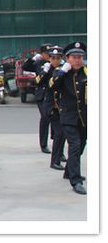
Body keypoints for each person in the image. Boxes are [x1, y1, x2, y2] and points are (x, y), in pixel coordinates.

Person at [49, 42, 87, 195]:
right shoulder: (61, 72)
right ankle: (76, 180)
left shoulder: (87, 72)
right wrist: (62, 73)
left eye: (80, 57)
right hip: (68, 116)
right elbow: (52, 86)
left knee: (82, 144)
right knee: (75, 145)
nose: (77, 60)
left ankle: (69, 171)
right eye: (74, 57)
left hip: (84, 117)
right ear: (67, 58)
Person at [39, 46, 67, 170]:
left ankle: (59, 154)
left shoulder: (65, 69)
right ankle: (55, 161)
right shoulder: (47, 69)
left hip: (63, 107)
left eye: (58, 58)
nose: (55, 60)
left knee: (62, 133)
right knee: (59, 133)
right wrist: (45, 71)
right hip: (52, 106)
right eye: (53, 58)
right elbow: (38, 82)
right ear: (49, 58)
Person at [22, 44, 53, 153]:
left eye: (49, 53)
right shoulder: (38, 63)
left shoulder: (55, 62)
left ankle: (56, 142)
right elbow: (25, 67)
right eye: (46, 53)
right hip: (42, 94)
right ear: (42, 54)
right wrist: (33, 59)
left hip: (53, 94)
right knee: (45, 117)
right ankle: (43, 144)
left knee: (55, 119)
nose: (48, 55)